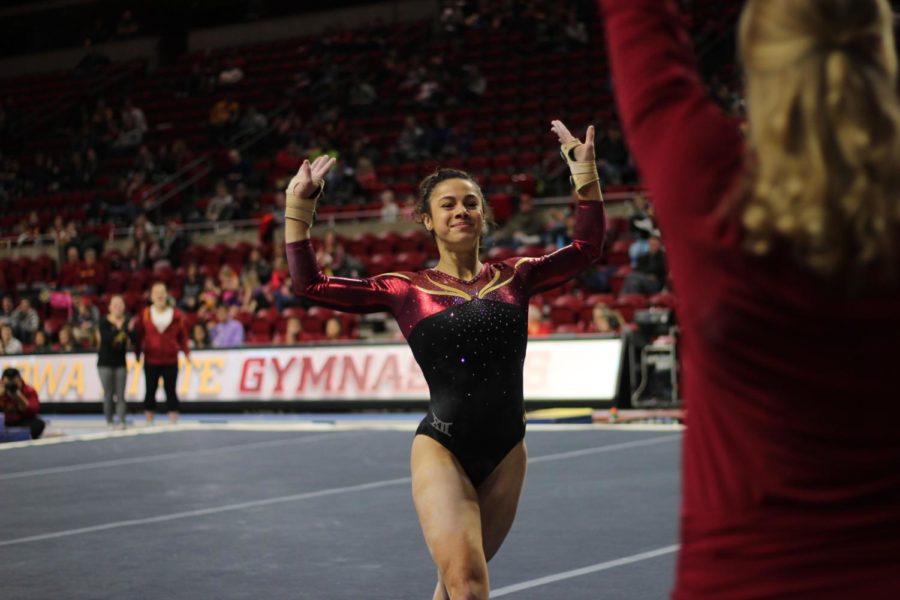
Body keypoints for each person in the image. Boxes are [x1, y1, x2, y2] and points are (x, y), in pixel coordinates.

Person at [599, 0, 900, 596]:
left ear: (755, 62)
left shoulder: (708, 178)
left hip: (743, 578)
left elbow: (638, 22)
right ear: (883, 54)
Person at [284, 119, 605, 600]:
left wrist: (585, 174)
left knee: (454, 586)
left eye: (471, 202)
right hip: (443, 448)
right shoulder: (405, 288)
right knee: (469, 585)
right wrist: (298, 208)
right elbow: (310, 284)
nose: (462, 210)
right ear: (427, 220)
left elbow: (586, 247)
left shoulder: (516, 276)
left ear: (484, 216)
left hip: (508, 451)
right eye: (448, 204)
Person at [131, 282, 190, 425]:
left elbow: (183, 336)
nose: (159, 295)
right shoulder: (145, 313)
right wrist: (138, 353)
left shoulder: (176, 314)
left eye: (162, 292)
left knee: (171, 390)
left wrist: (187, 352)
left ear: (167, 295)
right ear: (151, 296)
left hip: (171, 360)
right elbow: (139, 334)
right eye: (156, 292)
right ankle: (149, 420)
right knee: (150, 390)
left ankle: (173, 420)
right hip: (151, 359)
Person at [96, 295, 129, 429]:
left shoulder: (127, 322)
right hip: (105, 363)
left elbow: (132, 337)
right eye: (114, 305)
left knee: (121, 394)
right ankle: (109, 421)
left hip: (121, 362)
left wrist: (126, 328)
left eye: (120, 304)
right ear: (109, 307)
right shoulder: (103, 322)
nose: (117, 307)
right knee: (108, 394)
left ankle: (122, 421)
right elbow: (106, 339)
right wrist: (117, 328)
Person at [0, 367, 45, 439]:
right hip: (3, 423)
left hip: (21, 422)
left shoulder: (29, 390)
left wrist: (18, 396)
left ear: (20, 380)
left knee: (38, 424)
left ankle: (19, 434)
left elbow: (33, 411)